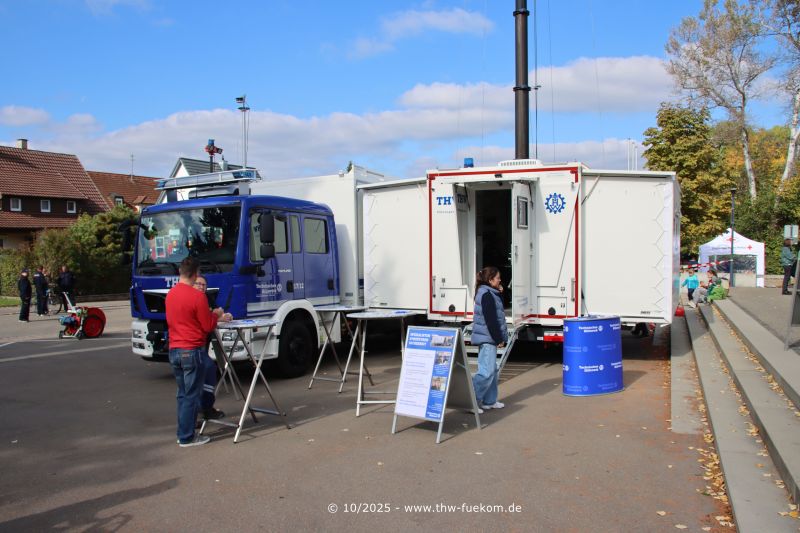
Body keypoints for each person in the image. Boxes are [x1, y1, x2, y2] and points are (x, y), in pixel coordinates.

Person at [166, 257, 232, 447]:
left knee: (182, 393)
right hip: (191, 349)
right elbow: (207, 325)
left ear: (180, 272)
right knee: (191, 395)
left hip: (174, 348)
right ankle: (187, 436)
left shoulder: (171, 294)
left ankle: (183, 431)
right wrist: (217, 314)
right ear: (195, 274)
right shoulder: (197, 297)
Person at [471, 266, 508, 412]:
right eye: (498, 277)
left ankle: (489, 401)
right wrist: (498, 338)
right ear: (490, 279)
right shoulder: (487, 294)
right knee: (486, 372)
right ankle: (472, 401)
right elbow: (491, 320)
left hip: (487, 337)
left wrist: (500, 293)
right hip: (487, 338)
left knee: (492, 369)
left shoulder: (490, 293)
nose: (500, 280)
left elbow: (497, 311)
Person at [193, 275, 225, 421]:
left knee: (207, 373)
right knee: (205, 371)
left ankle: (206, 408)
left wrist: (219, 316)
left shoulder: (206, 297)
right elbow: (205, 320)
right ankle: (199, 412)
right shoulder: (193, 299)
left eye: (204, 285)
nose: (201, 287)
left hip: (203, 342)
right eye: (198, 284)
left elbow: (218, 312)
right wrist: (215, 316)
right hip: (192, 345)